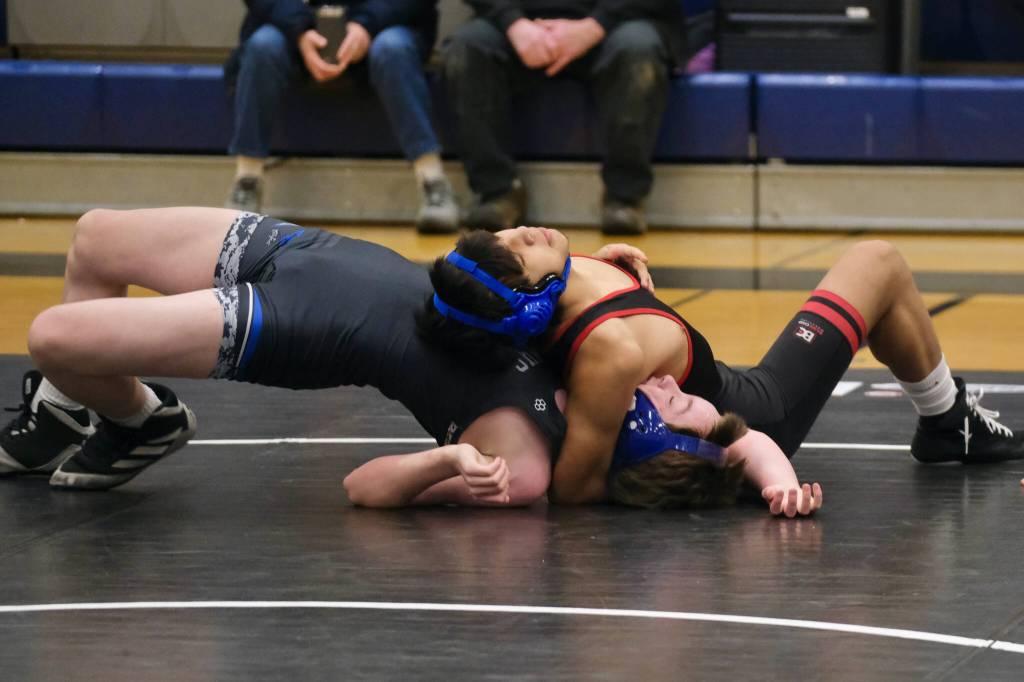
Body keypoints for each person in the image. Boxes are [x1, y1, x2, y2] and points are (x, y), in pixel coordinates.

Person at [0, 208, 566, 504]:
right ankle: (62, 413)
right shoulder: (575, 290)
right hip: (308, 252)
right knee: (95, 237)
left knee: (52, 338)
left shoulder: (521, 467)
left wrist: (444, 462)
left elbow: (362, 487)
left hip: (289, 325)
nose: (526, 232)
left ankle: (142, 422)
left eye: (520, 244)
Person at [421, 227, 1023, 504]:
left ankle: (949, 420)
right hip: (757, 412)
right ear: (534, 299)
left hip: (708, 383)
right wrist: (691, 469)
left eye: (509, 233)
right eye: (521, 250)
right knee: (878, 262)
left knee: (879, 291)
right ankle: (949, 421)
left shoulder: (552, 279)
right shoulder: (608, 353)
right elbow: (578, 488)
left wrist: (602, 265)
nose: (525, 231)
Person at [443, 0, 689, 234]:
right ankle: (497, 192)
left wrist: (595, 25)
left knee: (637, 48)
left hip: (617, 22)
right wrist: (513, 22)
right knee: (467, 47)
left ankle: (624, 197)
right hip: (518, 28)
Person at [223, 0, 458, 232]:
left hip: (386, 24)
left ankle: (432, 180)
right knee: (263, 46)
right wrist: (300, 30)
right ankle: (247, 180)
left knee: (392, 48)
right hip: (292, 24)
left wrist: (365, 25)